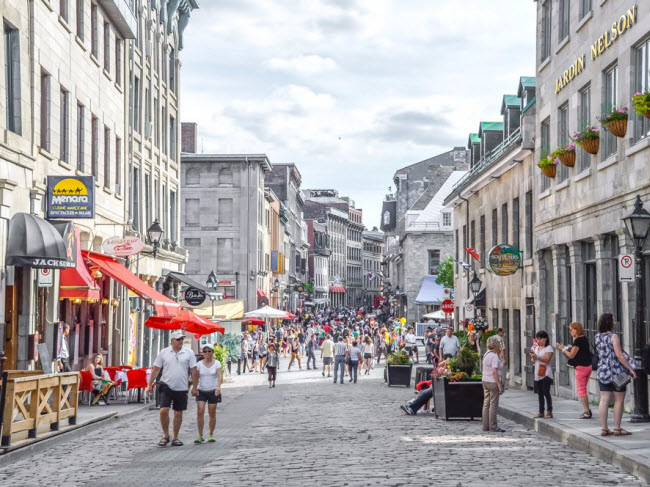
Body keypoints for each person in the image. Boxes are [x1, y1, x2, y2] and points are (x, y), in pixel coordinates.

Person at [146, 331, 198, 447]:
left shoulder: (189, 353)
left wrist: (195, 387)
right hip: (166, 385)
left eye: (182, 339)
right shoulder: (164, 352)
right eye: (178, 339)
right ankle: (165, 435)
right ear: (172, 341)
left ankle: (175, 437)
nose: (181, 341)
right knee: (163, 410)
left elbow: (194, 371)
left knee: (178, 413)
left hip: (182, 387)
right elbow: (156, 369)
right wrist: (149, 385)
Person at [595, 313, 637, 436]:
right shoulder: (613, 337)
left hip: (603, 372)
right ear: (610, 323)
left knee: (604, 400)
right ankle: (617, 429)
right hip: (617, 373)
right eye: (613, 320)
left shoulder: (597, 336)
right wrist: (631, 369)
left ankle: (604, 428)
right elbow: (619, 355)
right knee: (619, 400)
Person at [555, 322, 593, 419]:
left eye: (571, 329)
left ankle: (586, 412)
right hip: (588, 366)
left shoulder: (578, 341)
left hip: (581, 368)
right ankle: (588, 409)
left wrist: (562, 348)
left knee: (581, 390)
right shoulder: (584, 338)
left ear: (577, 330)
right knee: (584, 389)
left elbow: (571, 355)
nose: (570, 331)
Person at [192, 344, 223, 444]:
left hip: (213, 390)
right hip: (202, 390)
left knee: (212, 413)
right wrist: (195, 388)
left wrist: (218, 387)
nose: (207, 353)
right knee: (200, 411)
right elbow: (196, 377)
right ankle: (200, 435)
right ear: (202, 353)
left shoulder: (217, 363)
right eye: (205, 351)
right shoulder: (199, 364)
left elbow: (219, 375)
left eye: (209, 351)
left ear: (212, 352)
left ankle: (210, 434)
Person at [482, 336, 505, 432]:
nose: (500, 346)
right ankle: (493, 426)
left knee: (486, 404)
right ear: (495, 345)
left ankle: (485, 425)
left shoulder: (486, 354)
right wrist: (499, 385)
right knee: (493, 404)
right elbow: (494, 371)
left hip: (485, 380)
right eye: (498, 344)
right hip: (492, 381)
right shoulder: (494, 356)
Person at [530, 330, 554, 419]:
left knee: (546, 392)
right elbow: (534, 360)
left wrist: (537, 357)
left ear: (545, 339)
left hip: (546, 373)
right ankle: (541, 412)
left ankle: (549, 411)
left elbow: (547, 359)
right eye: (537, 339)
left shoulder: (549, 348)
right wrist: (533, 358)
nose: (539, 341)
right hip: (538, 373)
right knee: (539, 393)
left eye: (540, 339)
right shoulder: (536, 348)